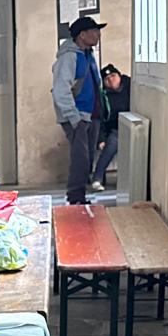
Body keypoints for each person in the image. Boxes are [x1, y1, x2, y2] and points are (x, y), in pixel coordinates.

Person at [51, 15, 105, 205]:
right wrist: (74, 118)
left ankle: (79, 195)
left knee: (88, 157)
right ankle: (75, 197)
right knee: (80, 158)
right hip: (76, 116)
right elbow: (60, 90)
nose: (98, 35)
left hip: (90, 115)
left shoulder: (88, 55)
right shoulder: (69, 57)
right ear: (82, 35)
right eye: (94, 31)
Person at [91, 63, 130, 192]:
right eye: (107, 79)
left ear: (119, 76)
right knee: (110, 145)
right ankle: (97, 178)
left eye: (113, 76)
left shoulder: (130, 86)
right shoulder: (103, 96)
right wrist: (101, 138)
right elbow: (100, 118)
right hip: (115, 129)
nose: (111, 80)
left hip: (132, 126)